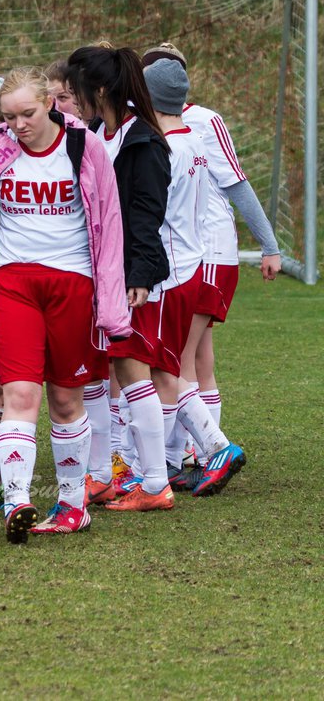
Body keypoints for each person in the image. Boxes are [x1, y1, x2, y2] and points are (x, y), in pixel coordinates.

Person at [0, 67, 131, 543]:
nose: (19, 125)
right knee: (18, 395)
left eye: (27, 113)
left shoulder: (85, 147)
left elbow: (109, 221)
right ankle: (17, 502)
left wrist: (112, 296)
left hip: (73, 286)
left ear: (49, 101)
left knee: (66, 399)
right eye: (9, 117)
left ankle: (72, 505)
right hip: (12, 284)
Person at [143, 43, 280, 479]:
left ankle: (187, 456)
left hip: (206, 256)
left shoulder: (202, 121)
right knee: (196, 359)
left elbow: (237, 184)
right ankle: (192, 455)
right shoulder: (149, 127)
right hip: (188, 255)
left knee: (174, 361)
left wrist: (269, 244)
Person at [64, 45, 176, 512]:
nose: (70, 98)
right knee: (98, 371)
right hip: (93, 271)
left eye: (76, 91)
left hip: (127, 276)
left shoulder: (144, 142)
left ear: (102, 90)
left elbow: (147, 215)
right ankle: (100, 475)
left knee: (131, 370)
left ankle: (155, 485)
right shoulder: (94, 132)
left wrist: (140, 274)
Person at [138, 57, 248, 497]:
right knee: (163, 365)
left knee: (160, 367)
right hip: (189, 265)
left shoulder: (167, 147)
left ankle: (209, 449)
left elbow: (156, 211)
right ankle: (170, 460)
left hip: (167, 271)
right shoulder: (193, 141)